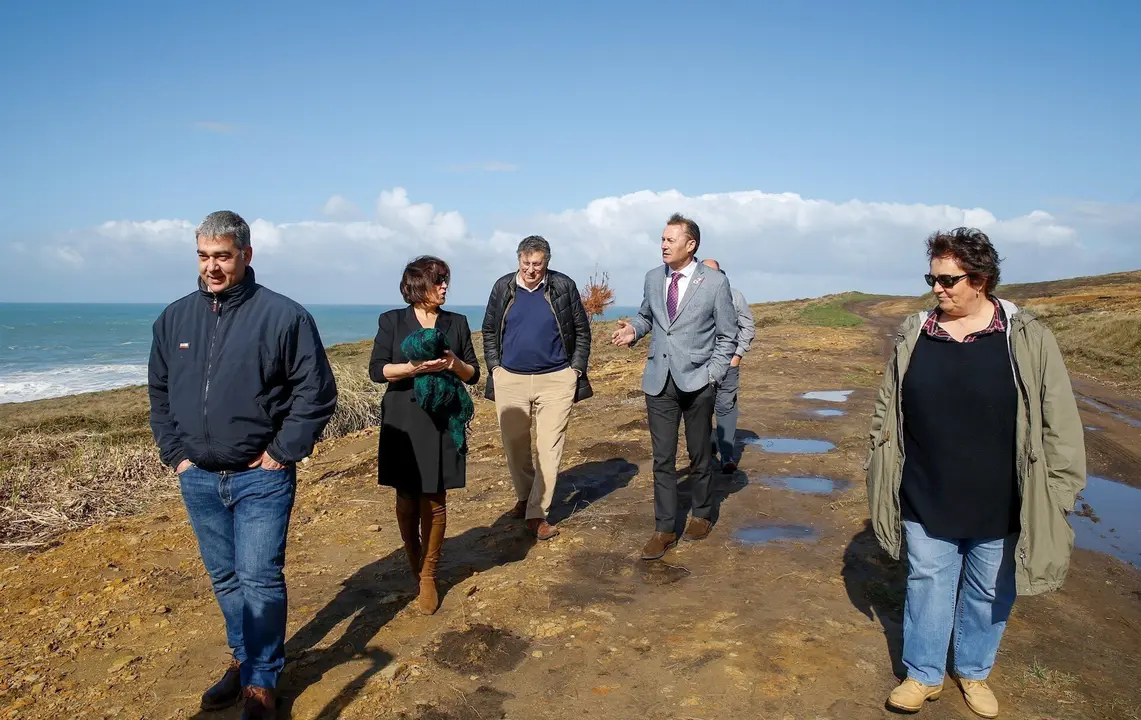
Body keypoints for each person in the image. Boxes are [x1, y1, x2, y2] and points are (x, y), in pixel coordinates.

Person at [865, 228, 1086, 718]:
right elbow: (887, 406)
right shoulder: (914, 331)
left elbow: (1060, 420)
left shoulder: (1026, 336)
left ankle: (973, 671)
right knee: (927, 581)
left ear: (981, 279)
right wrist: (880, 460)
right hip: (926, 487)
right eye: (932, 278)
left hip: (1002, 495)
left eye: (948, 279)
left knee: (990, 589)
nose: (937, 289)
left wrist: (1060, 491)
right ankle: (922, 675)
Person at [148, 211, 338, 719]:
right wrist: (178, 456)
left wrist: (280, 453)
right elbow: (160, 393)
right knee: (225, 578)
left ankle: (260, 680)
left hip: (261, 478)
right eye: (204, 256)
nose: (212, 267)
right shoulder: (174, 318)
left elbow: (315, 392)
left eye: (222, 257)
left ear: (246, 256)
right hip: (199, 477)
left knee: (259, 577)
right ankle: (243, 658)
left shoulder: (283, 315)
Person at [612, 213, 737, 560]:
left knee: (699, 454)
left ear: (690, 244)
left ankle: (702, 512)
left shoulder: (714, 283)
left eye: (670, 240)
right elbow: (647, 316)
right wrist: (633, 331)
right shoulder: (654, 278)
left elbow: (728, 334)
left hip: (698, 381)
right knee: (662, 459)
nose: (663, 245)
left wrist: (713, 374)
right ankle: (664, 528)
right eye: (662, 239)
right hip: (659, 381)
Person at [368, 256, 480, 616]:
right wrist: (412, 368)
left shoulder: (456, 323)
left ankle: (429, 575)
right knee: (405, 497)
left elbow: (473, 373)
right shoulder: (392, 321)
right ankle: (413, 559)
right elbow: (376, 370)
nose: (445, 286)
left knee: (434, 496)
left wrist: (452, 364)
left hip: (442, 419)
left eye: (446, 280)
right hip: (402, 416)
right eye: (438, 281)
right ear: (418, 285)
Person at [481, 236, 593, 540]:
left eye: (538, 264)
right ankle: (524, 497)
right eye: (526, 263)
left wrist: (575, 370)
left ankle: (537, 513)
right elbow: (489, 330)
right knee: (515, 446)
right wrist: (495, 368)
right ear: (519, 260)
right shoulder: (503, 287)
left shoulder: (563, 286)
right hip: (510, 380)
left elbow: (582, 330)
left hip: (556, 379)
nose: (531, 270)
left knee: (549, 448)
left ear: (547, 262)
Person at [700, 258, 756, 473]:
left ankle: (727, 456)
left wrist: (737, 355)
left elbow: (747, 327)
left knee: (725, 406)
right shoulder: (692, 298)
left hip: (728, 365)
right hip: (700, 366)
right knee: (701, 408)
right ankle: (705, 452)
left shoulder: (735, 296)